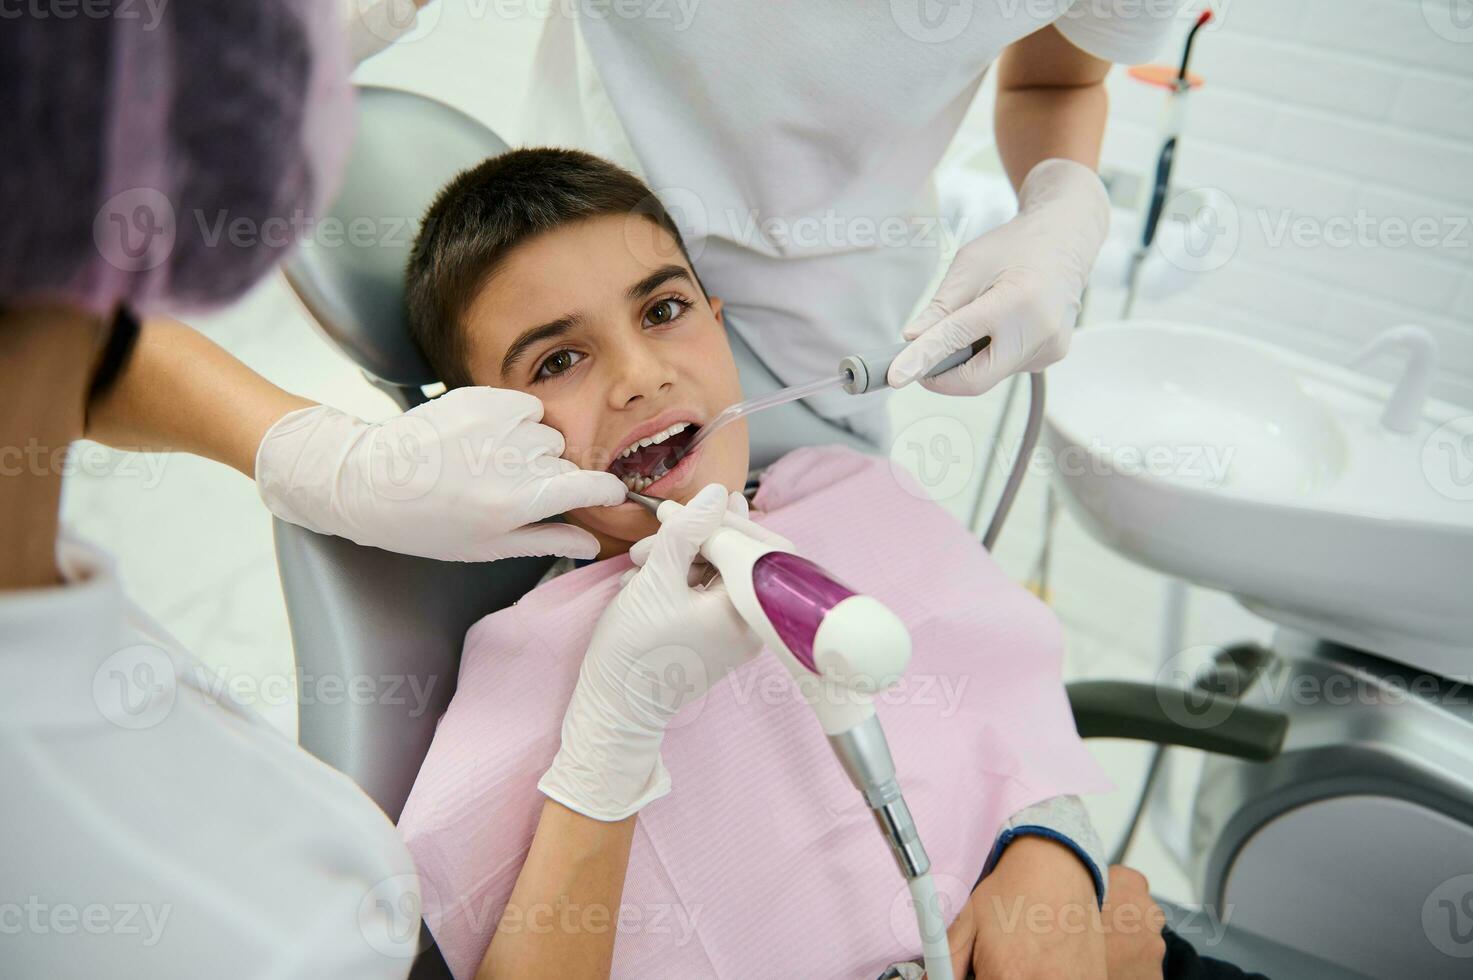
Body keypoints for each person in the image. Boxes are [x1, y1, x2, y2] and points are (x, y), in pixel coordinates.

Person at [394, 146, 1126, 980]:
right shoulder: (529, 669)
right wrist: (611, 739)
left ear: (716, 319)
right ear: (486, 431)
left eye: (663, 311)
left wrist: (1057, 852)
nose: (640, 376)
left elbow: (1020, 737)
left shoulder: (852, 499)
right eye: (558, 360)